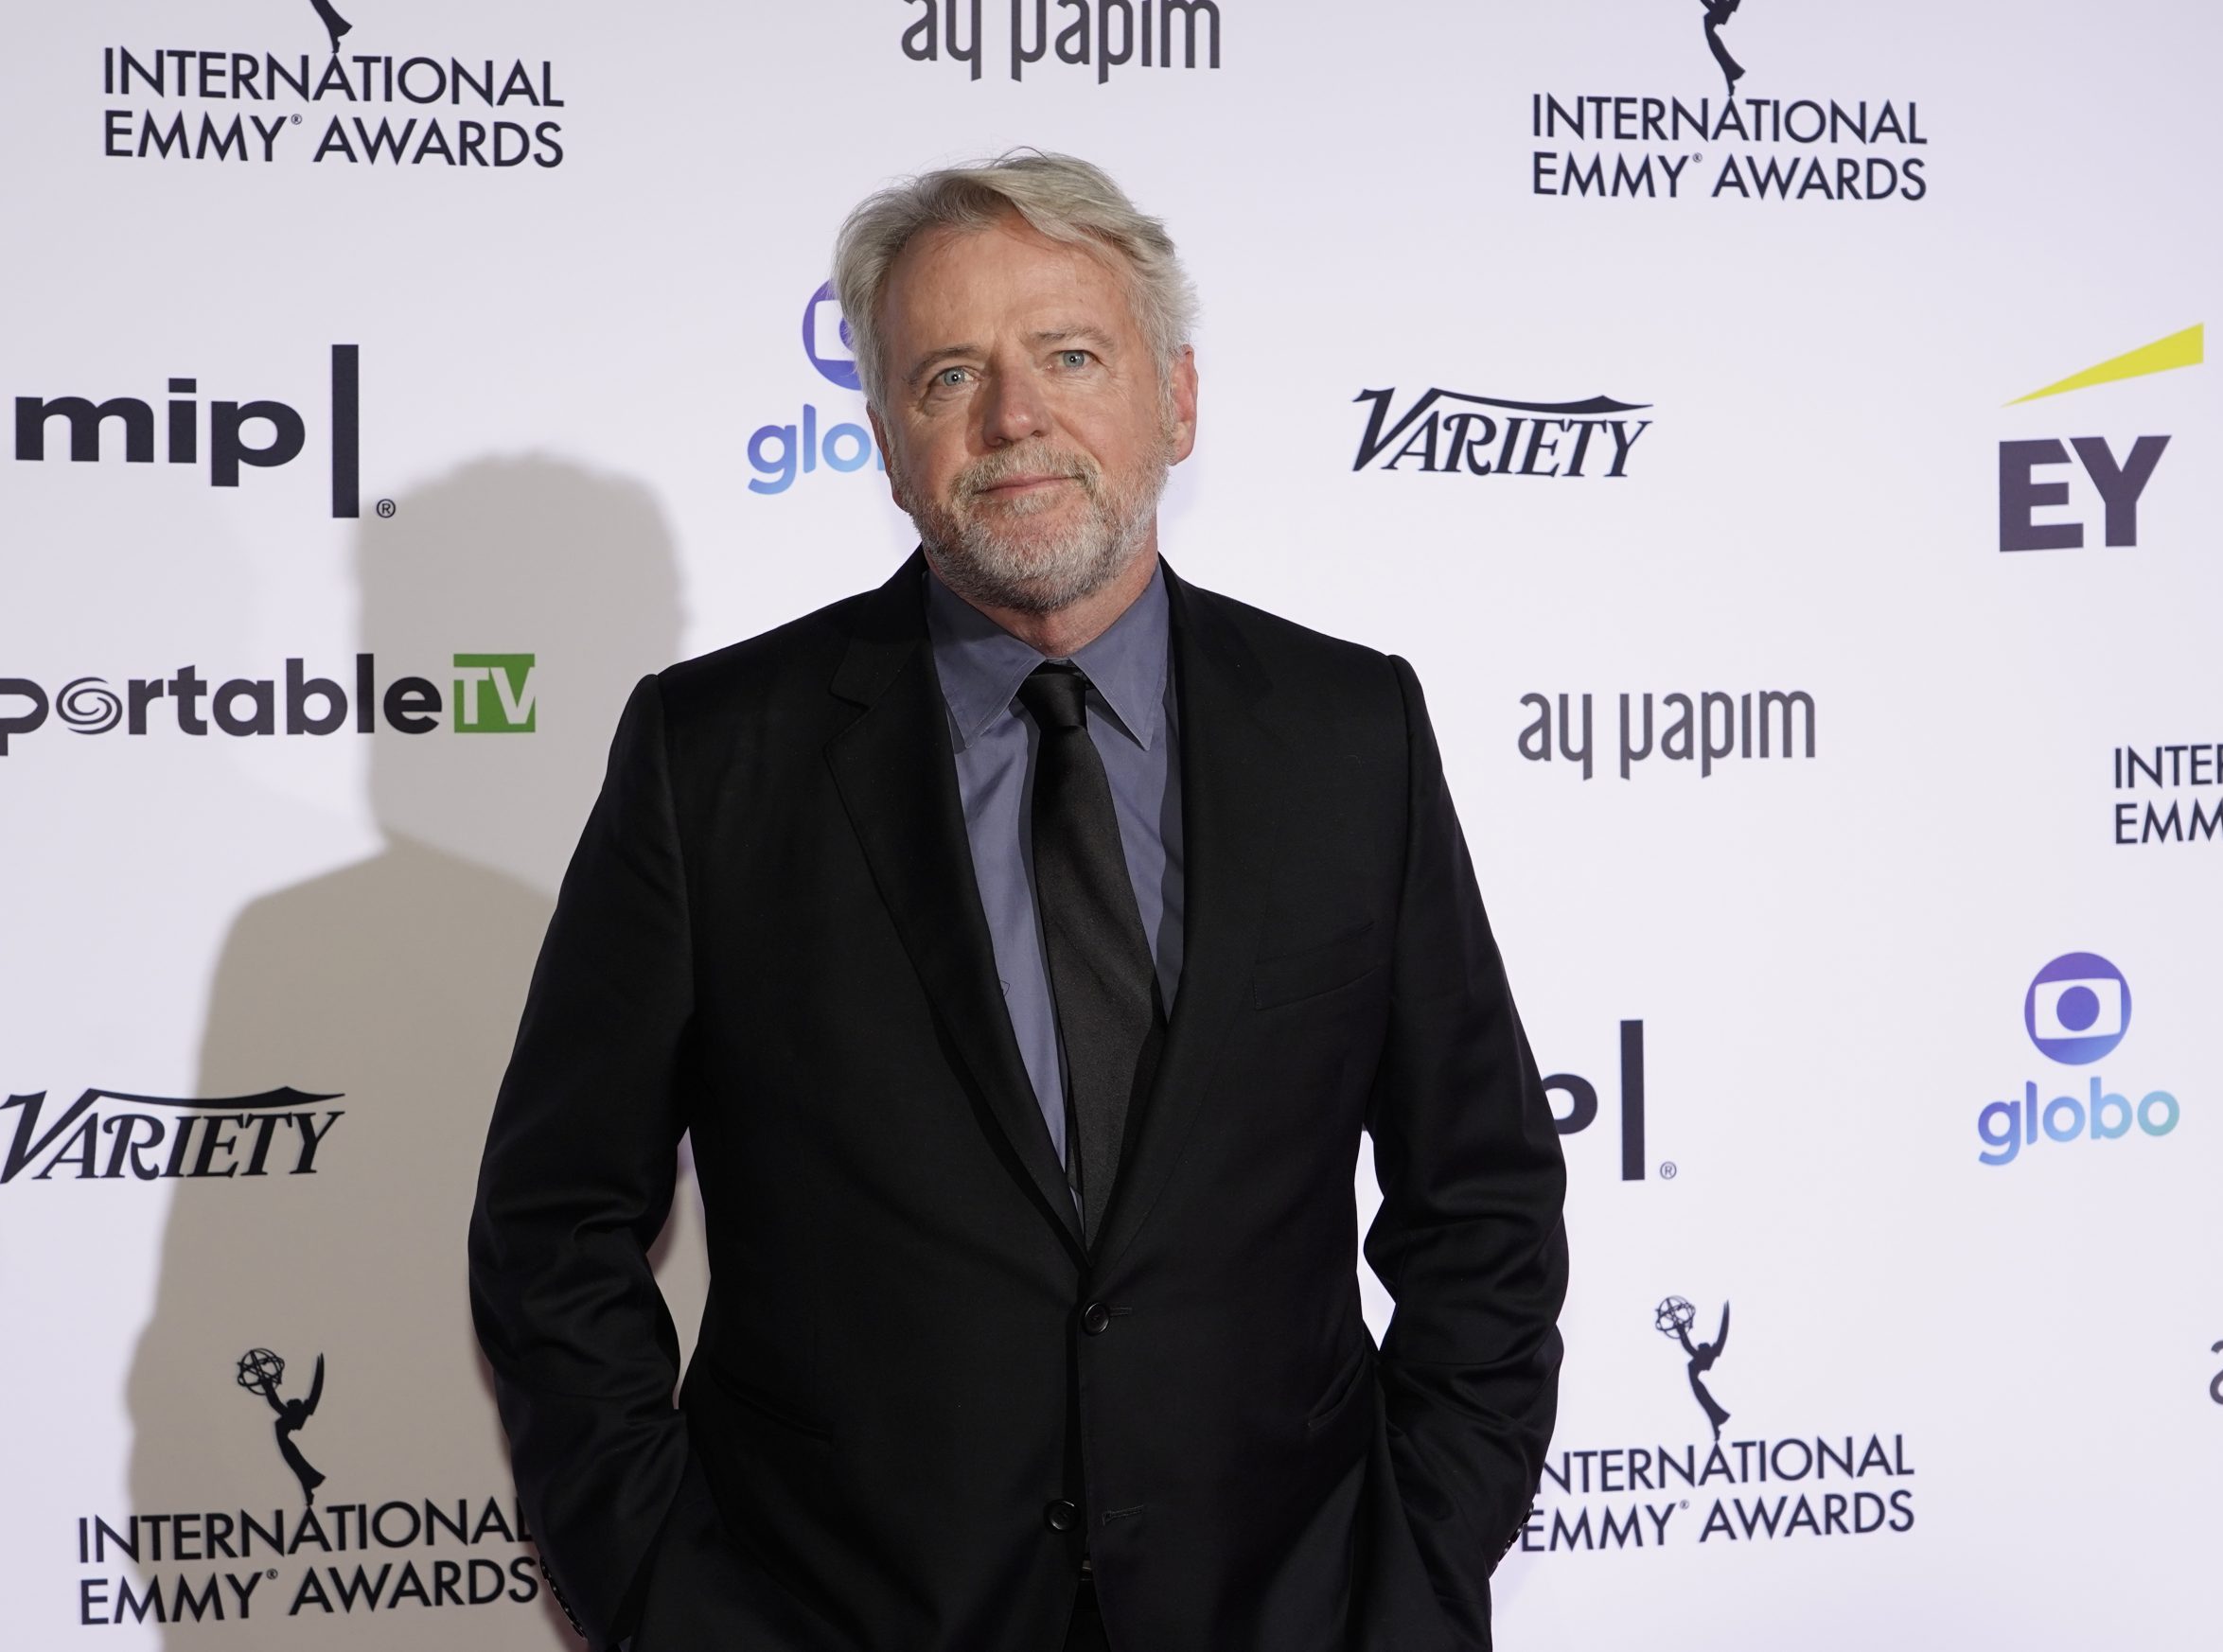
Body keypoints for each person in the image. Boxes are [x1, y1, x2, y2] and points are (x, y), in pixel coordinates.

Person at [469, 150, 1568, 1652]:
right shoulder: (712, 756)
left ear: (1176, 399)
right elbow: (553, 1233)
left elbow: (1484, 1204)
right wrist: (677, 1612)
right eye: (948, 375)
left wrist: (1418, 1577)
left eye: (1068, 355)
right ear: (883, 436)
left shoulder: (1348, 732)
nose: (1015, 418)